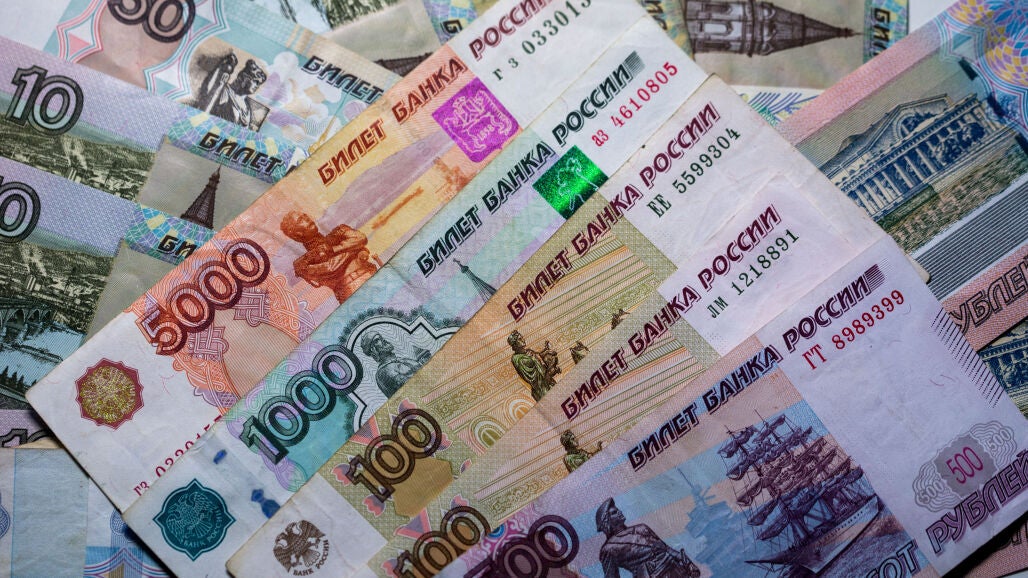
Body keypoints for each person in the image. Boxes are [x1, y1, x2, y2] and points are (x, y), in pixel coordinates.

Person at [280, 211, 377, 303]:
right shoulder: (302, 264)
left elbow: (361, 238)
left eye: (305, 216)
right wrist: (354, 248)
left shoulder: (338, 232)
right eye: (301, 220)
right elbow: (331, 268)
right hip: (352, 290)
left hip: (372, 274)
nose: (307, 219)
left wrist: (333, 249)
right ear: (297, 234)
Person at [595, 498, 701, 578]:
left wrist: (688, 563)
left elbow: (666, 548)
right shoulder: (608, 549)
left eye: (617, 510)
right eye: (614, 513)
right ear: (606, 521)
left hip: (675, 568)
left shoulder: (642, 528)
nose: (620, 512)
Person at [198, 54, 268, 130]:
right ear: (245, 77)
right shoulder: (225, 91)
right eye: (255, 81)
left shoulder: (247, 107)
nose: (257, 85)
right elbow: (206, 104)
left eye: (259, 84)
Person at [359, 331, 431, 397]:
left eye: (381, 338)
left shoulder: (402, 359)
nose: (383, 340)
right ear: (373, 350)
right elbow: (411, 388)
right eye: (377, 340)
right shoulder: (383, 372)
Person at [508, 330, 560, 401]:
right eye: (520, 339)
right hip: (543, 390)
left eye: (522, 337)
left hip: (549, 384)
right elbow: (537, 380)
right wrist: (552, 366)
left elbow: (538, 355)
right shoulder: (520, 359)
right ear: (514, 344)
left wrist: (546, 350)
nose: (523, 339)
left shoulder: (527, 351)